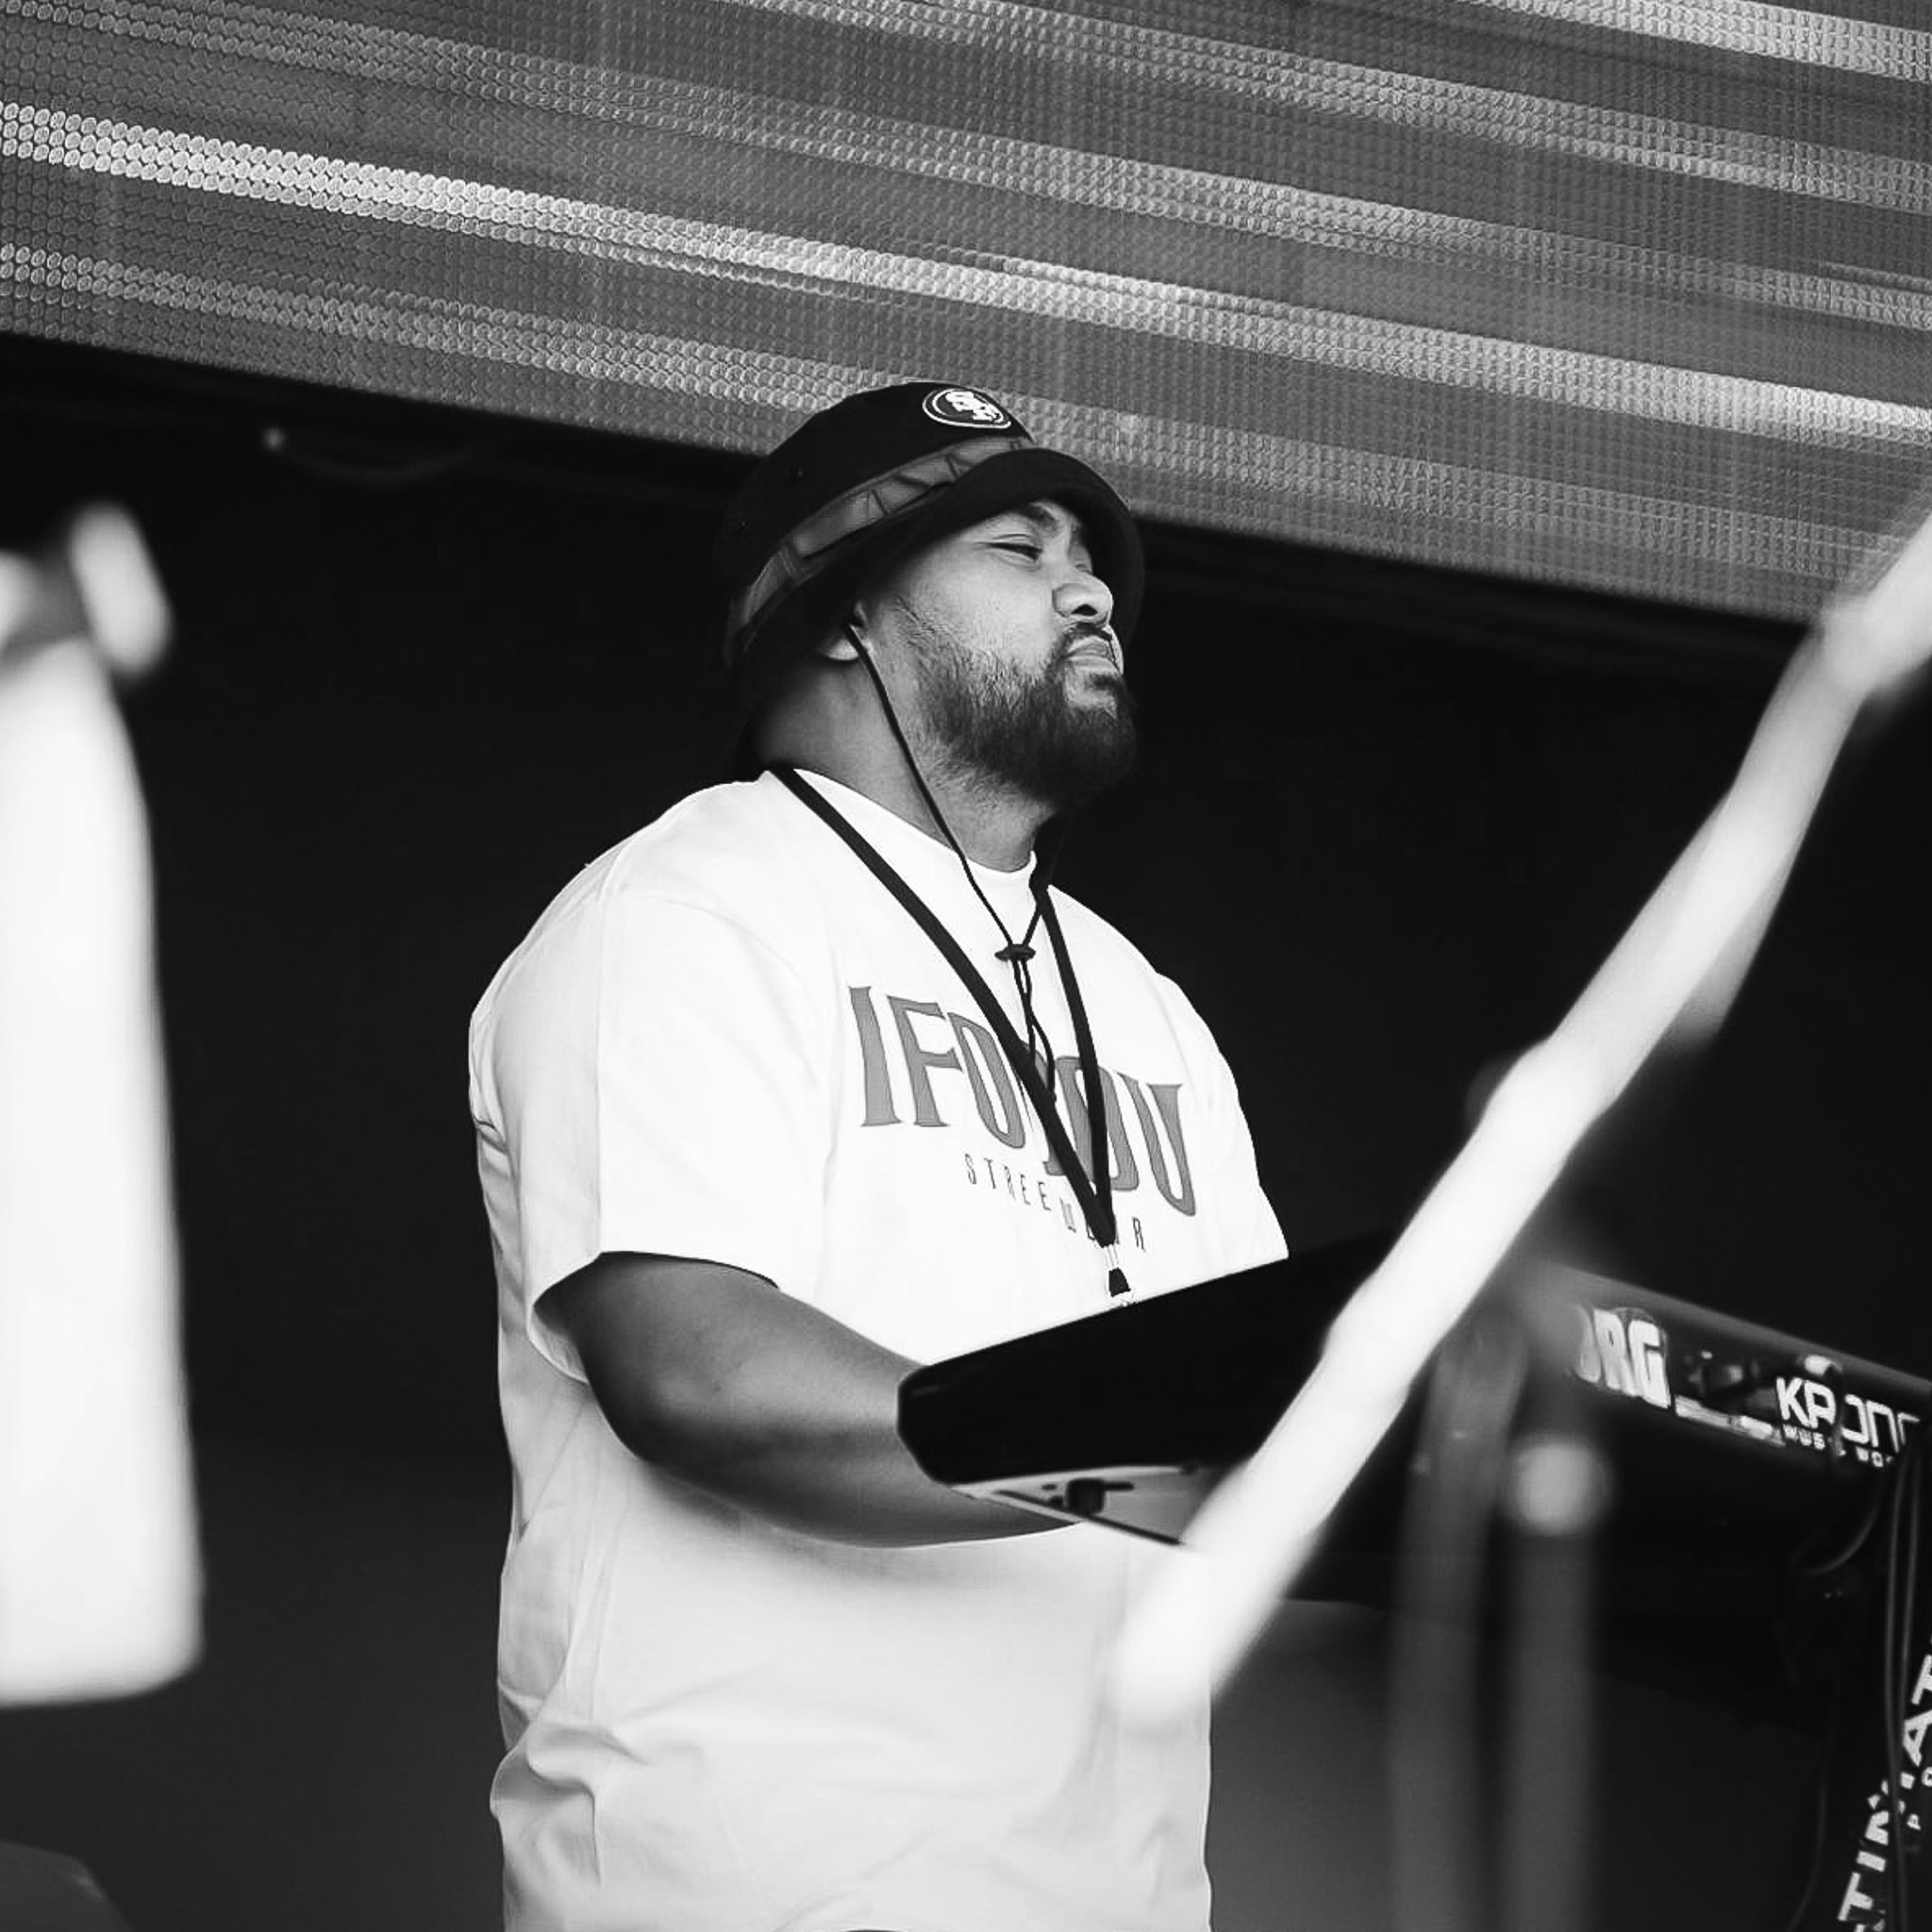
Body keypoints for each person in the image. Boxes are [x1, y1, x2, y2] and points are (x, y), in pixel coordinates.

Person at [468, 380, 1286, 1932]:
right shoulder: (685, 908)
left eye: (1092, 560)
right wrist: (1155, 1451)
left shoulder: (1149, 1011)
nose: (1091, 591)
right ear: (843, 612)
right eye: (1020, 550)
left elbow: (1267, 1466)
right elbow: (701, 1374)